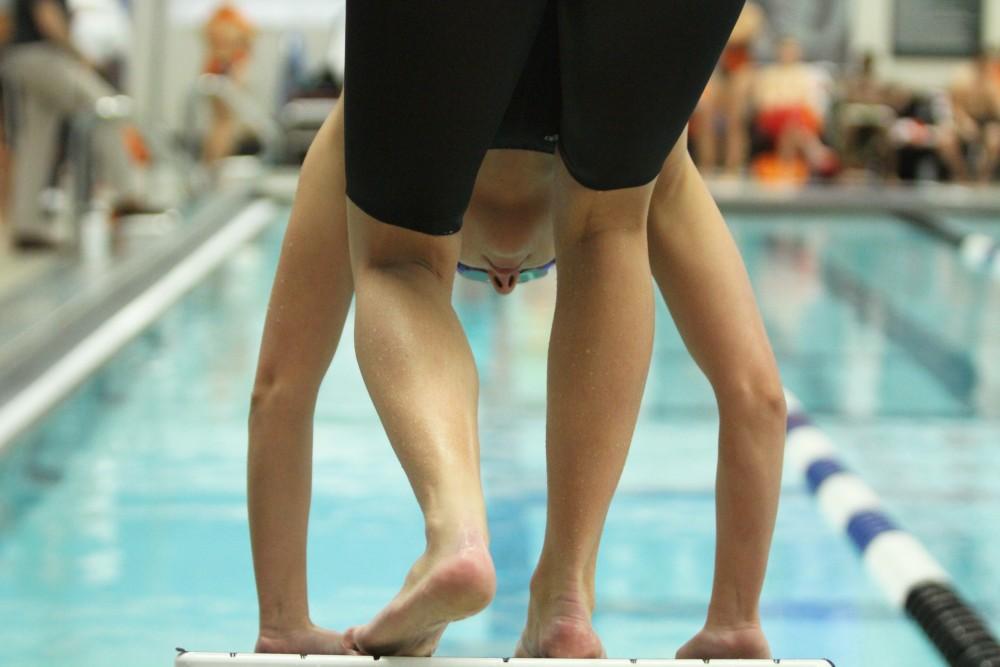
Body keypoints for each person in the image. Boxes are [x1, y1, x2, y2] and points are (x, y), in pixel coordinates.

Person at [248, 1, 786, 660]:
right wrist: (735, 615)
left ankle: (457, 535)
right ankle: (564, 599)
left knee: (400, 261)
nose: (504, 279)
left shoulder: (359, 134)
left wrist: (283, 620)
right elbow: (756, 393)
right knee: (607, 231)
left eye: (522, 272)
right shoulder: (657, 160)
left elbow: (279, 386)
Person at [0, 0, 147, 248]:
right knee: (104, 110)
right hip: (42, 56)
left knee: (36, 140)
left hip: (20, 58)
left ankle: (28, 228)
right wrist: (79, 55)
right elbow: (47, 17)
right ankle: (126, 196)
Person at [690, 1, 765, 175]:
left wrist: (721, 30)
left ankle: (734, 166)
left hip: (742, 69)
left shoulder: (750, 10)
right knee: (705, 112)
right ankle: (706, 164)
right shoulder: (715, 7)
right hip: (720, 70)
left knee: (735, 116)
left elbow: (741, 33)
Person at [751, 37, 838, 183]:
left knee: (793, 124)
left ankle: (787, 170)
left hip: (799, 120)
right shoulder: (768, 74)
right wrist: (788, 105)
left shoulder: (807, 74)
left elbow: (811, 102)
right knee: (794, 116)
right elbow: (764, 103)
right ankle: (815, 150)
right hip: (774, 118)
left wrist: (788, 104)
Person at [200, 3, 256, 163]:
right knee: (218, 130)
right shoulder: (214, 63)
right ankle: (211, 167)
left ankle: (214, 166)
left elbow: (239, 85)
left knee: (224, 129)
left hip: (234, 118)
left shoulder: (240, 61)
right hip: (220, 117)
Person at [941, 49, 1000, 183]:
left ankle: (982, 177)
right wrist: (964, 121)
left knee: (995, 138)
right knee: (945, 139)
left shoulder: (992, 80)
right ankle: (962, 176)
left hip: (986, 122)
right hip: (962, 120)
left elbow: (995, 110)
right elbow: (954, 106)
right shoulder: (962, 79)